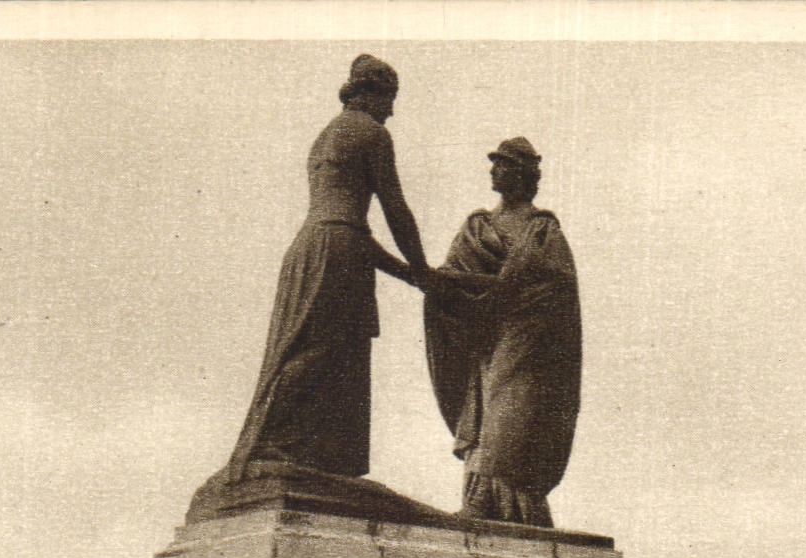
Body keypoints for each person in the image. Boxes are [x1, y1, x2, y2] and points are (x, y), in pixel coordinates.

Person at [224, 55, 429, 482]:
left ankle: (299, 451)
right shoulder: (371, 133)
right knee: (323, 349)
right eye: (390, 99)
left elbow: (350, 223)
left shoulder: (327, 135)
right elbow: (395, 208)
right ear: (370, 94)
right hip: (337, 252)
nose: (392, 110)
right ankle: (267, 445)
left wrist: (409, 274)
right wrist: (423, 267)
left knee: (309, 347)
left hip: (315, 245)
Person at [423, 137, 581, 527]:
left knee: (510, 416)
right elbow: (450, 281)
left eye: (503, 164)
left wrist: (504, 293)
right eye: (494, 164)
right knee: (486, 412)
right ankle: (487, 506)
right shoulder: (477, 227)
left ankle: (493, 505)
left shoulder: (542, 230)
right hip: (484, 339)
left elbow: (554, 291)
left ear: (523, 174)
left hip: (528, 342)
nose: (494, 170)